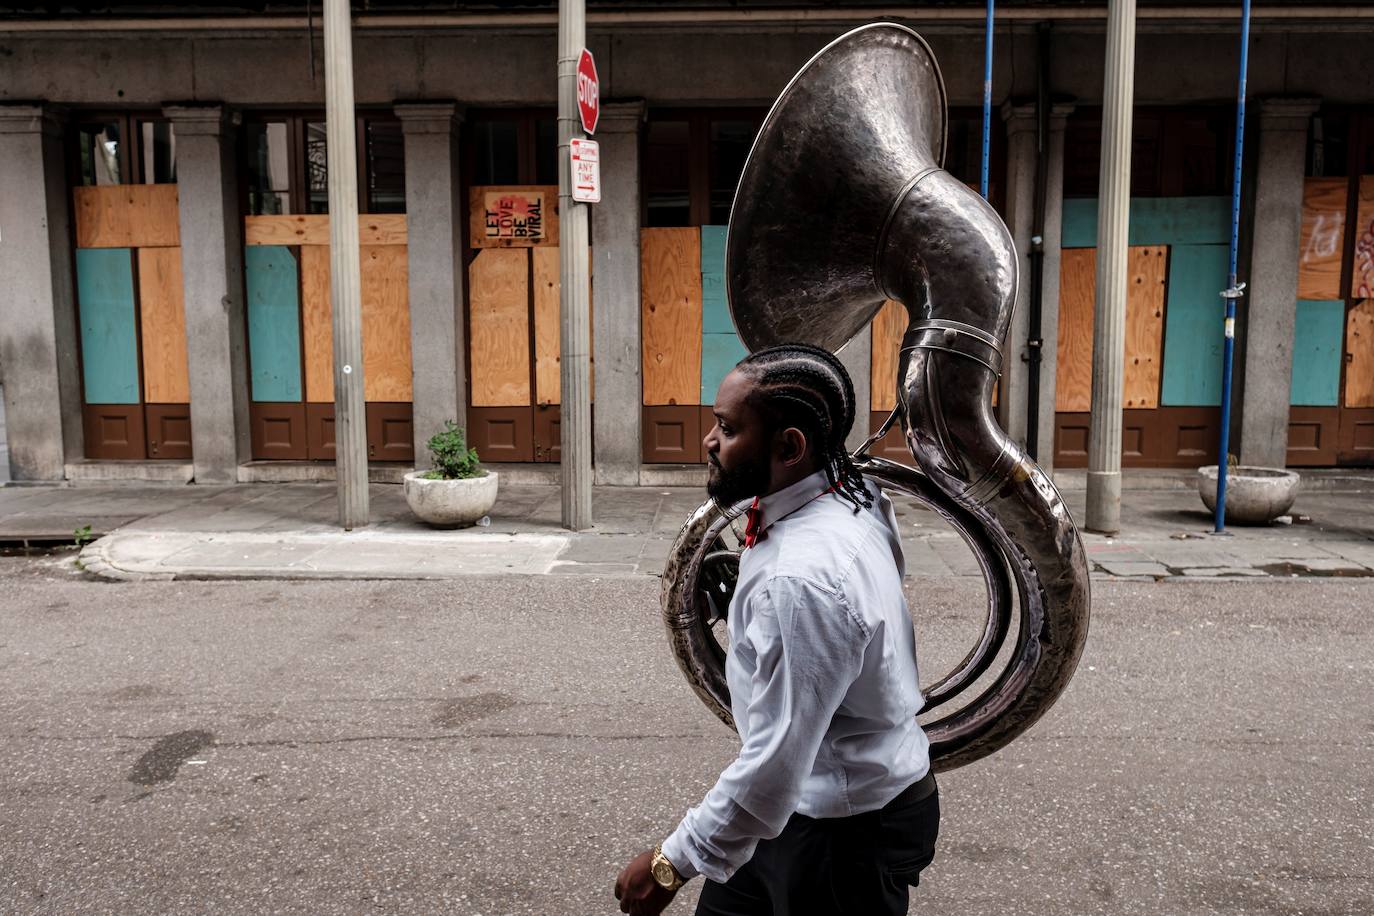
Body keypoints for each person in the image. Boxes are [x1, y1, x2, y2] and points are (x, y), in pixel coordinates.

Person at [614, 343, 938, 916]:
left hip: (840, 832)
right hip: (802, 812)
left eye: (728, 428)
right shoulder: (850, 498)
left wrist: (670, 865)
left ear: (790, 446)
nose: (709, 442)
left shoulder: (800, 581)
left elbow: (776, 759)